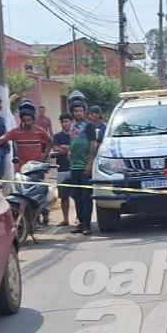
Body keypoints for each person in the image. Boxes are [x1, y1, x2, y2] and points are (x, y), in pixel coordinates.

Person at [66, 93, 101, 234]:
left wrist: (89, 163)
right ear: (72, 112)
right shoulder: (72, 126)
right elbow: (72, 143)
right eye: (75, 111)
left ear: (84, 112)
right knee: (76, 196)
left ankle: (87, 225)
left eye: (80, 111)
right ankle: (80, 223)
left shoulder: (89, 126)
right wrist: (69, 152)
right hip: (73, 166)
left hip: (84, 166)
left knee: (86, 197)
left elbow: (93, 145)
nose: (78, 113)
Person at [0, 100, 54, 172]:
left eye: (29, 120)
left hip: (37, 167)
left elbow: (50, 142)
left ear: (33, 119)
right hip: (23, 168)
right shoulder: (15, 132)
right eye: (25, 120)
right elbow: (0, 140)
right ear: (21, 120)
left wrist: (45, 155)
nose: (27, 123)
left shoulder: (39, 130)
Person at [52, 113, 74, 226]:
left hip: (74, 168)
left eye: (67, 121)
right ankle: (66, 219)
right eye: (63, 122)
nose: (65, 123)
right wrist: (69, 148)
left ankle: (79, 219)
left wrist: (66, 147)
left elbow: (77, 148)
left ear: (71, 122)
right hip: (62, 169)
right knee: (64, 196)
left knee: (77, 196)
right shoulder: (57, 136)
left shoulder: (75, 135)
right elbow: (56, 149)